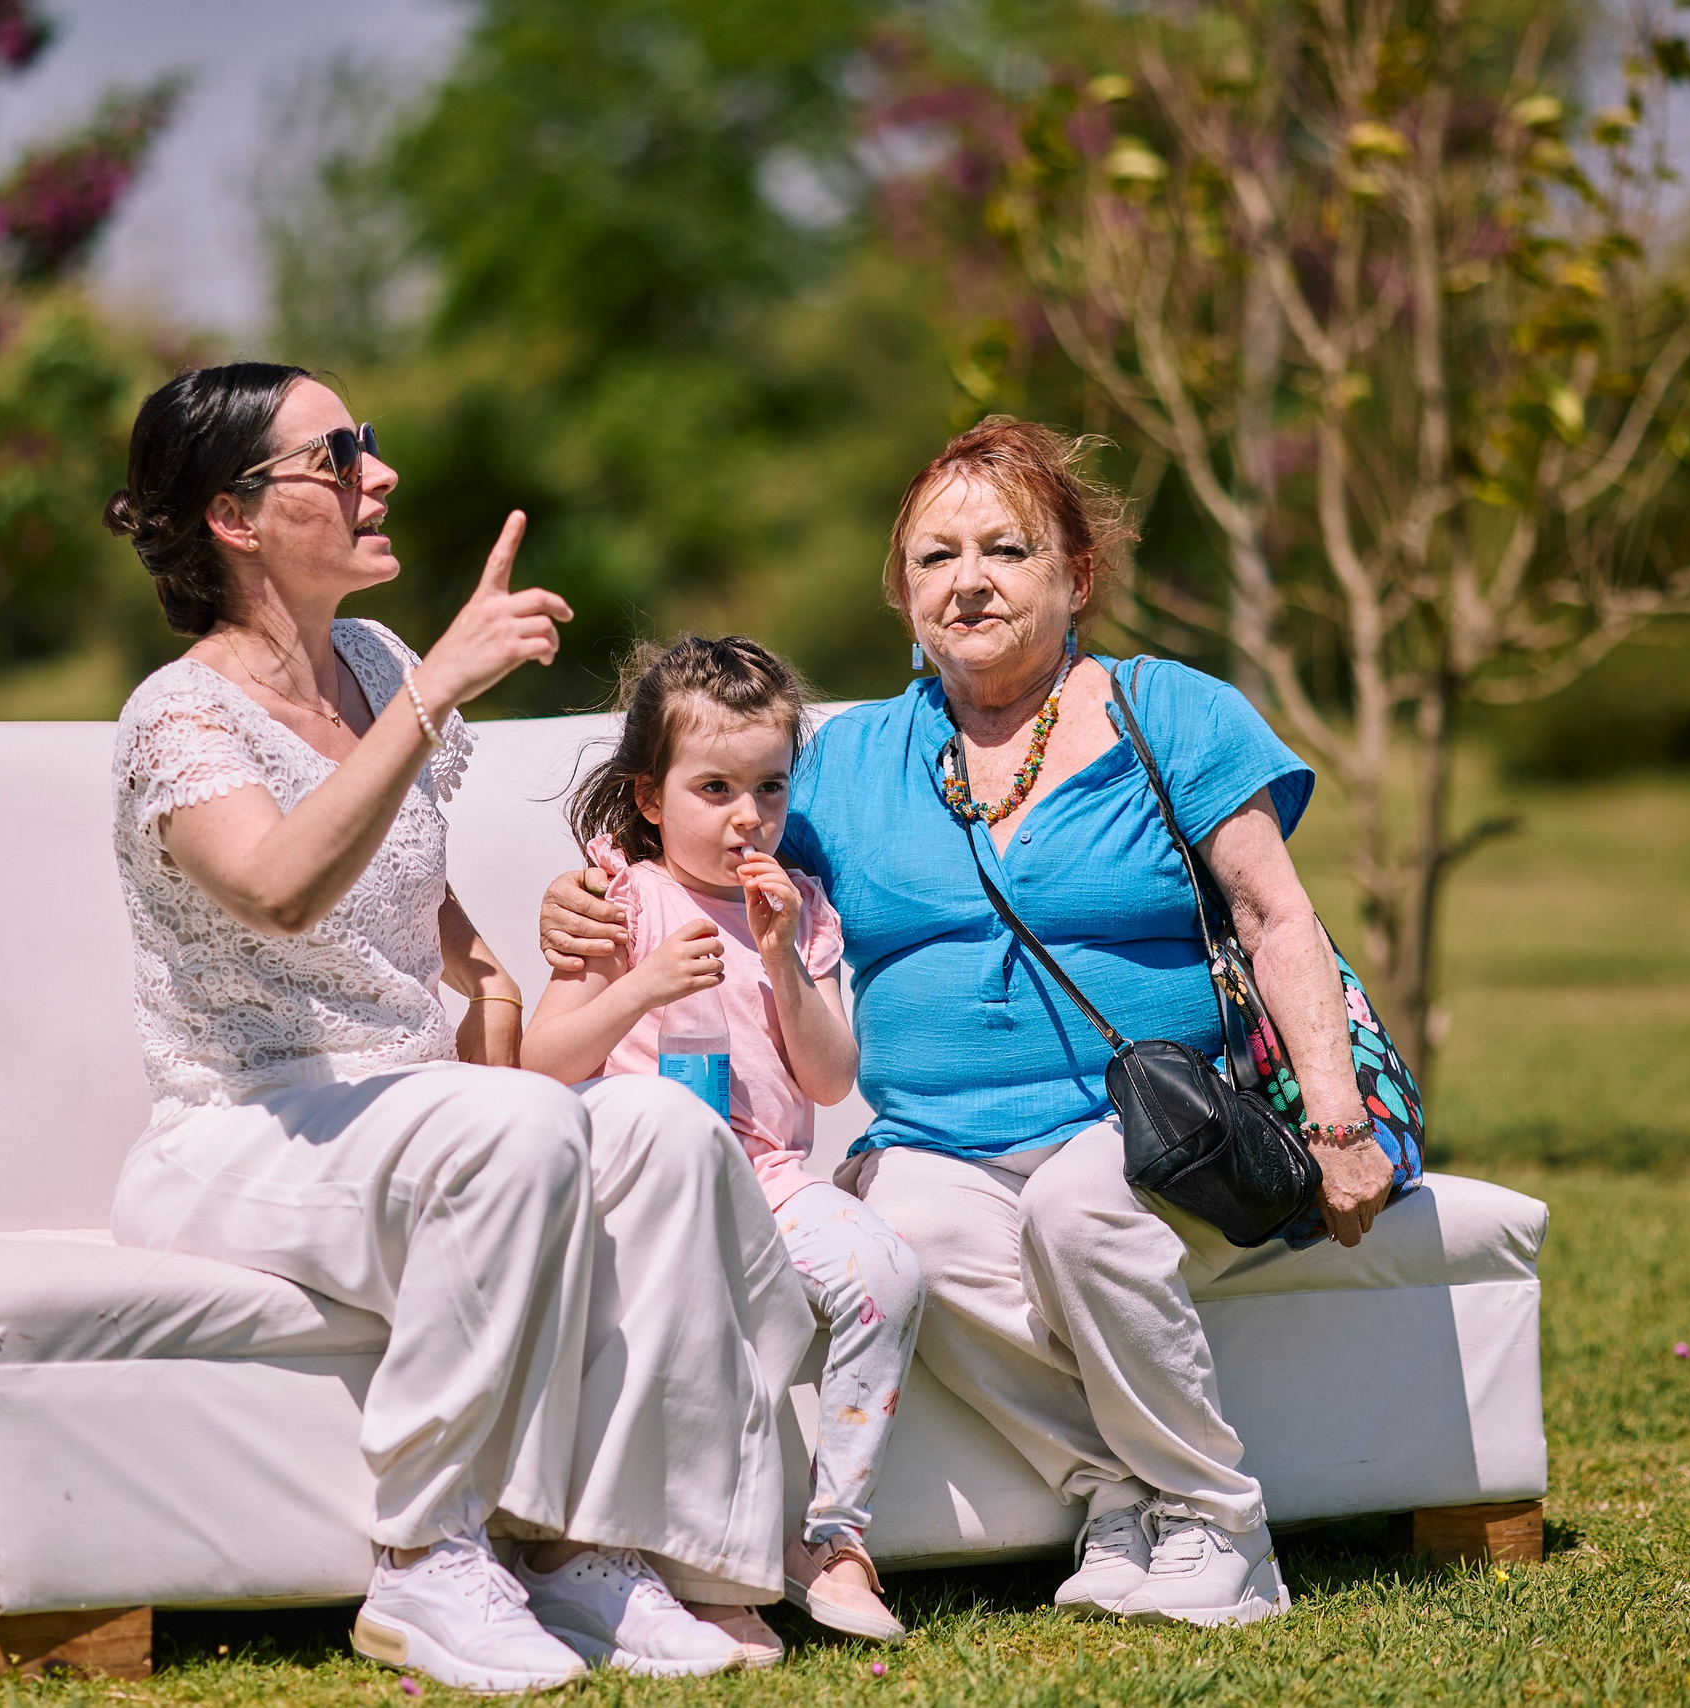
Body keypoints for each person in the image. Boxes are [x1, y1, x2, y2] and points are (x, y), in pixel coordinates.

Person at [538, 418, 1421, 1630]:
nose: (967, 581)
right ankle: (1112, 1498)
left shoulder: (1173, 713)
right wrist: (582, 892)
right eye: (934, 556)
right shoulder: (846, 759)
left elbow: (1277, 918)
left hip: (1148, 1132)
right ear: (902, 593)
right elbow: (696, 843)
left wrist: (1338, 1118)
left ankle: (1219, 1519)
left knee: (1075, 1203)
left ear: (1077, 576)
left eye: (1004, 549)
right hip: (937, 1140)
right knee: (897, 1224)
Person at [100, 363, 811, 1693]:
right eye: (338, 457)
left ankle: (588, 1548)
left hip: (413, 1109)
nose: (382, 475)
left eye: (367, 444)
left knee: (657, 1126)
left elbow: (433, 928)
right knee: (521, 1128)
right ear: (235, 518)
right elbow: (281, 885)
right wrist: (440, 694)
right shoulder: (177, 718)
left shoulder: (376, 663)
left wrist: (532, 965)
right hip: (244, 1126)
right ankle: (426, 1555)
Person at [521, 635, 921, 1649]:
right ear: (650, 797)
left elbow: (830, 1079)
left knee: (889, 1274)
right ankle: (696, 1570)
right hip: (649, 1183)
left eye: (770, 788)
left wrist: (783, 954)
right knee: (707, 1308)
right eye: (715, 788)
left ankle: (833, 1536)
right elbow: (541, 1062)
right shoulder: (619, 895)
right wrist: (640, 983)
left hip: (772, 1176)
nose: (749, 816)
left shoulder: (800, 908)